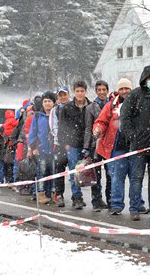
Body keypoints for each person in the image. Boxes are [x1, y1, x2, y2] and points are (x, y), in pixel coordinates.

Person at [120, 65, 150, 221]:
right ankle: (134, 208)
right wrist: (132, 136)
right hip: (138, 145)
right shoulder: (135, 95)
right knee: (136, 178)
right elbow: (124, 117)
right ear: (144, 79)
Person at [93, 78, 134, 216]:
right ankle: (116, 204)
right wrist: (98, 128)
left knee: (135, 178)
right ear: (118, 90)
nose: (124, 91)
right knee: (117, 178)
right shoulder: (111, 105)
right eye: (121, 89)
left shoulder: (137, 102)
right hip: (117, 148)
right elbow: (101, 121)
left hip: (134, 147)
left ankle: (137, 205)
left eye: (127, 88)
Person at [59, 80, 91, 210]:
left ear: (85, 92)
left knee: (89, 173)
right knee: (74, 172)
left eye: (82, 91)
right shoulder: (67, 108)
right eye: (77, 91)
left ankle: (96, 198)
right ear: (74, 92)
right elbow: (62, 127)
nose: (80, 93)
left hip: (87, 144)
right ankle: (77, 197)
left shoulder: (91, 106)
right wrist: (66, 143)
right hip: (72, 145)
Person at [83, 80, 110, 211]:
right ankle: (96, 201)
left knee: (111, 174)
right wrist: (86, 147)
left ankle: (110, 200)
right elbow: (88, 128)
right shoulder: (90, 108)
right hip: (96, 145)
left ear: (107, 90)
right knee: (96, 174)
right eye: (99, 90)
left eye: (104, 89)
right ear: (96, 91)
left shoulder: (113, 105)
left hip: (109, 144)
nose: (101, 92)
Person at [28, 91, 56, 204]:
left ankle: (54, 193)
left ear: (54, 103)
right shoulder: (38, 116)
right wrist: (33, 147)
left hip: (54, 149)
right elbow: (32, 133)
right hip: (41, 149)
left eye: (49, 101)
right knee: (42, 172)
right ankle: (41, 193)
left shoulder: (56, 115)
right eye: (45, 101)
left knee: (54, 172)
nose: (47, 104)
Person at [50, 86, 71, 207]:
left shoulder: (73, 107)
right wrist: (63, 141)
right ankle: (59, 195)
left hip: (73, 145)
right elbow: (54, 128)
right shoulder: (55, 110)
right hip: (59, 145)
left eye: (65, 94)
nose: (63, 97)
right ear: (58, 97)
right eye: (60, 95)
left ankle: (77, 196)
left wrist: (71, 141)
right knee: (59, 171)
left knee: (75, 171)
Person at [2, 110, 18, 184]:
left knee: (8, 163)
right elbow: (17, 124)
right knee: (11, 162)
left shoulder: (6, 122)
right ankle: (11, 179)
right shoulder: (12, 121)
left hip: (8, 143)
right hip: (12, 143)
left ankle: (8, 178)